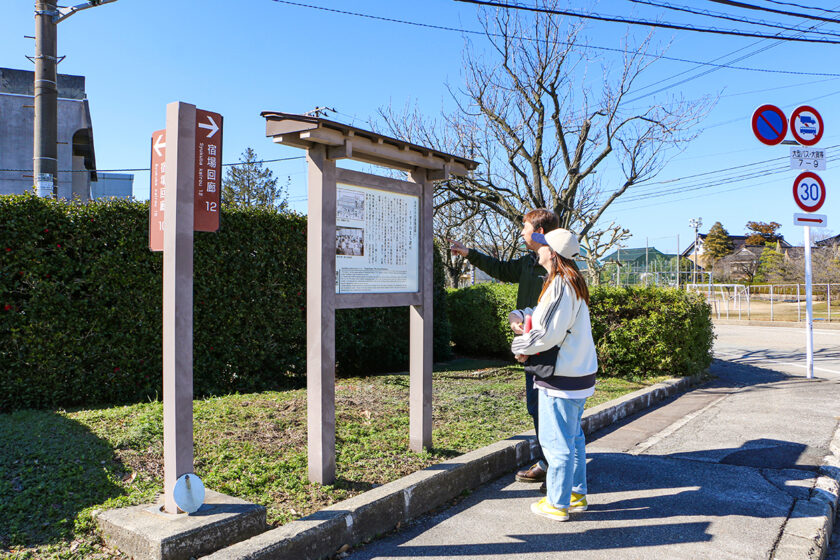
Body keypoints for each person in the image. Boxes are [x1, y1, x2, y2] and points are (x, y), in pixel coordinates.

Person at [450, 209, 559, 484]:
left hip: (552, 352)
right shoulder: (527, 263)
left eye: (525, 228)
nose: (521, 233)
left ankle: (556, 469)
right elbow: (499, 269)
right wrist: (469, 253)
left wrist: (528, 324)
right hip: (531, 350)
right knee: (536, 409)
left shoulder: (560, 268)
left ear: (539, 232)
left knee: (553, 411)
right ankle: (550, 463)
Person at [508, 228, 598, 522]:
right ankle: (575, 494)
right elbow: (550, 320)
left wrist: (520, 345)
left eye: (543, 245)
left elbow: (547, 334)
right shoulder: (572, 281)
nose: (538, 248)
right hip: (577, 373)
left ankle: (557, 504)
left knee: (556, 441)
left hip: (560, 377)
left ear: (553, 252)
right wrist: (526, 316)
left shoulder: (559, 284)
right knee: (572, 439)